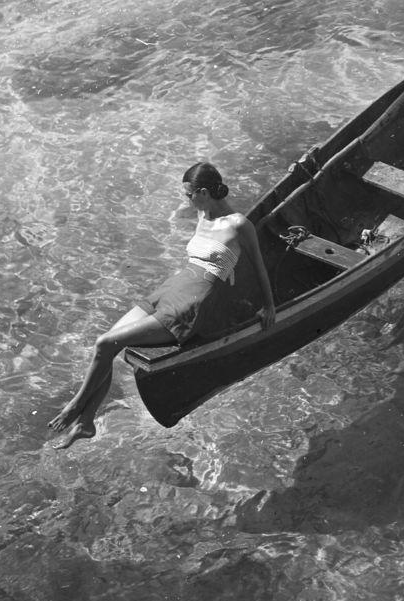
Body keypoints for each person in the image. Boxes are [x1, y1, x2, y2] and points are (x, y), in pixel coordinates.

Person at [46, 162, 276, 448]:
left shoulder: (239, 224)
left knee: (104, 343)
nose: (186, 200)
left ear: (203, 192)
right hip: (168, 290)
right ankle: (86, 422)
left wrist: (269, 306)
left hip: (190, 304)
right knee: (108, 347)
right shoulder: (203, 215)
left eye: (188, 194)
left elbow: (259, 266)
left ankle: (75, 406)